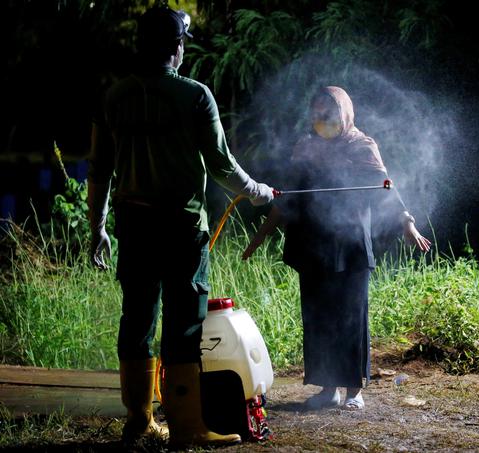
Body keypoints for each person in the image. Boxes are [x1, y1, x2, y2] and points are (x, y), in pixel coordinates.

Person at [87, 6, 274, 447]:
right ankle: (188, 427)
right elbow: (223, 166)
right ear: (177, 46)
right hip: (181, 226)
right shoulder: (194, 95)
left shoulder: (113, 97)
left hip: (133, 225)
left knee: (136, 319)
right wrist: (258, 192)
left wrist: (97, 227)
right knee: (184, 325)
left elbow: (98, 171)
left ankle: (139, 420)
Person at [242, 86, 431, 410]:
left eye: (328, 114)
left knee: (351, 318)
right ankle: (327, 388)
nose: (322, 119)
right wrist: (259, 238)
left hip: (350, 244)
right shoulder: (305, 147)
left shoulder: (361, 146)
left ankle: (354, 390)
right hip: (312, 245)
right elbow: (287, 197)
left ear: (344, 113)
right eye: (317, 114)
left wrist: (407, 224)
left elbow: (385, 189)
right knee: (318, 318)